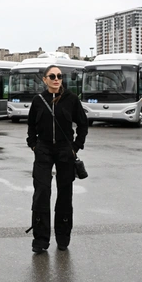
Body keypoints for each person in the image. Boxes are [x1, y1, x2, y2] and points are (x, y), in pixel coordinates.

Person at [26, 65, 88, 253]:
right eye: (52, 76)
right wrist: (34, 145)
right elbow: (31, 126)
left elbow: (83, 125)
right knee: (41, 193)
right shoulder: (38, 101)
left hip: (64, 150)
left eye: (59, 76)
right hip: (43, 149)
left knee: (64, 193)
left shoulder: (71, 99)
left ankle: (63, 236)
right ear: (44, 79)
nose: (56, 79)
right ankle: (41, 240)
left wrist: (75, 147)